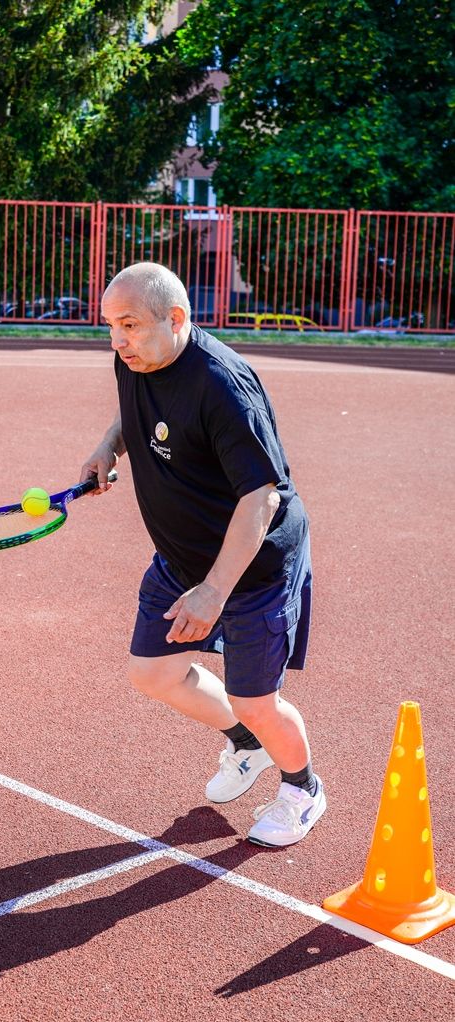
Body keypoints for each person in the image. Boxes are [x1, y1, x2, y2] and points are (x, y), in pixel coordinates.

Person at [80, 262, 325, 847]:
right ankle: (246, 746)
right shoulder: (137, 354)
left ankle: (302, 787)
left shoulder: (222, 387)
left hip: (253, 567)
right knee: (153, 672)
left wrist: (214, 590)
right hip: (181, 555)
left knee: (254, 698)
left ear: (177, 318)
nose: (117, 341)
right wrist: (107, 447)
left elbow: (262, 498)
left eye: (130, 326)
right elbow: (136, 405)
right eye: (110, 326)